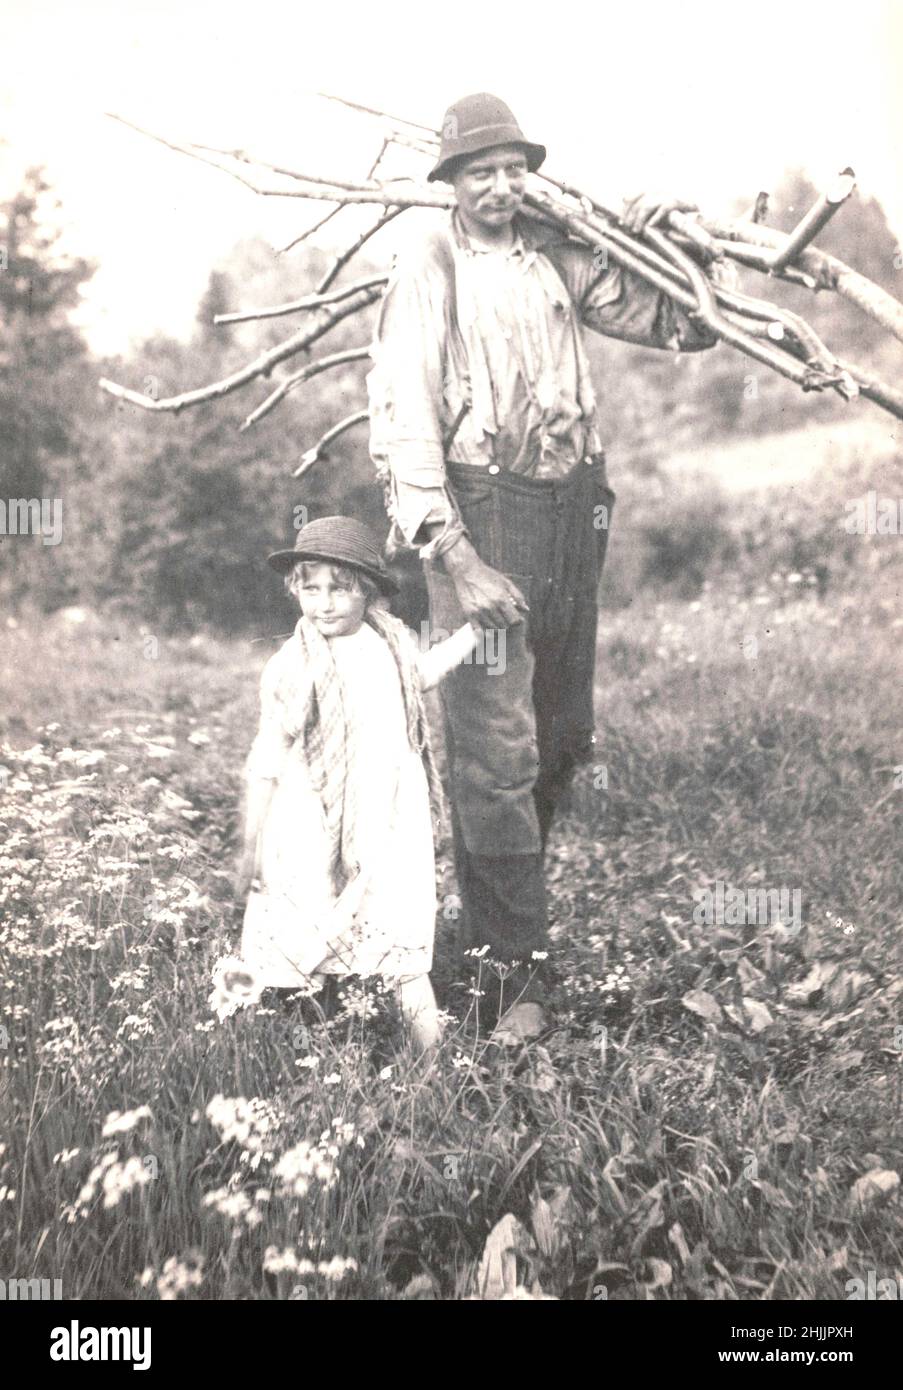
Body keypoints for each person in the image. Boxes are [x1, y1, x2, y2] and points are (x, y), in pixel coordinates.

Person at [367, 93, 718, 1036]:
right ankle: (505, 980)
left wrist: (674, 242)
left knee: (560, 737)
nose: (499, 185)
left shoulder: (555, 250)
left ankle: (491, 923)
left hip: (570, 514)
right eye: (479, 171)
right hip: (481, 519)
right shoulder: (427, 266)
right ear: (449, 182)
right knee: (494, 757)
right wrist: (455, 557)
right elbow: (400, 421)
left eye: (513, 167)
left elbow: (686, 325)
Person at [235, 515, 477, 1051]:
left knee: (398, 932)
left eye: (339, 589)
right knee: (307, 926)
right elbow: (268, 756)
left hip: (389, 815)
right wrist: (251, 842)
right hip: (313, 818)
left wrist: (478, 631)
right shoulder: (293, 665)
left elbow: (423, 673)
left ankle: (431, 1063)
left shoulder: (388, 643)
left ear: (367, 591)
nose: (324, 603)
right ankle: (298, 1047)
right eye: (310, 588)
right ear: (295, 589)